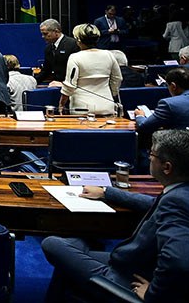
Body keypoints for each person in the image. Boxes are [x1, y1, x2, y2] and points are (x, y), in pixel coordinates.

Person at [40, 129, 189, 303]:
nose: (148, 157)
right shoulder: (180, 192)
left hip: (124, 278)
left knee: (52, 243)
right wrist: (107, 192)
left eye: (152, 154)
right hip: (132, 263)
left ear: (167, 167)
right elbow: (153, 204)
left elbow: (179, 263)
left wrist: (153, 294)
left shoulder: (176, 202)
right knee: (69, 260)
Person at [59, 24, 122, 115]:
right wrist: (113, 93)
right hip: (107, 106)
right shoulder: (109, 55)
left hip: (81, 108)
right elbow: (117, 79)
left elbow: (70, 86)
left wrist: (61, 104)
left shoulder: (75, 57)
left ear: (78, 40)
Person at [134, 68, 189, 137]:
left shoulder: (169, 104)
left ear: (173, 86)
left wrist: (140, 115)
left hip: (178, 145)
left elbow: (144, 127)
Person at [35, 18, 80, 84]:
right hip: (57, 84)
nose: (43, 37)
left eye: (45, 34)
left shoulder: (72, 44)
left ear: (56, 31)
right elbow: (46, 70)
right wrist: (33, 81)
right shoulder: (48, 48)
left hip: (72, 84)